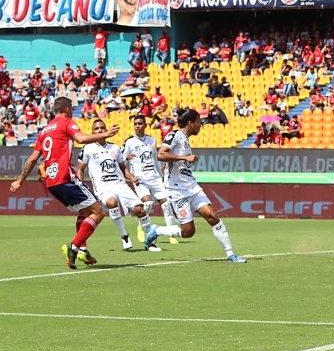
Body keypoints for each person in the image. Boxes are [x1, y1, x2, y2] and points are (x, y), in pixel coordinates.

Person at [9, 97, 119, 269]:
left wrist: (20, 180)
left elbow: (32, 159)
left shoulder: (44, 131)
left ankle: (82, 249)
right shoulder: (66, 122)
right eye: (72, 108)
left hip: (52, 183)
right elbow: (80, 139)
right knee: (98, 212)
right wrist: (105, 134)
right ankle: (74, 247)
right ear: (67, 108)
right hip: (66, 177)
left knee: (85, 211)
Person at [144, 109, 246, 263]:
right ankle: (157, 230)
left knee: (212, 216)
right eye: (199, 122)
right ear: (190, 123)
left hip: (192, 187)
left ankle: (231, 255)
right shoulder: (174, 135)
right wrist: (185, 157)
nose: (201, 125)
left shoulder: (185, 139)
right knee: (188, 232)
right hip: (177, 191)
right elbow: (161, 154)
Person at [77, 119, 158, 252]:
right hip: (103, 187)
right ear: (92, 132)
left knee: (140, 210)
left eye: (102, 127)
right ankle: (124, 236)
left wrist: (131, 177)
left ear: (106, 129)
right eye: (96, 128)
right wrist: (80, 186)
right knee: (112, 202)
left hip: (120, 185)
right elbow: (80, 169)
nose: (100, 130)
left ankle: (151, 242)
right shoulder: (87, 148)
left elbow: (122, 168)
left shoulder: (115, 148)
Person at [122, 114, 180, 245]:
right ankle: (141, 226)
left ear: (145, 125)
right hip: (140, 179)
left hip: (154, 178)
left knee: (166, 205)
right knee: (148, 203)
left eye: (140, 123)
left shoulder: (152, 140)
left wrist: (162, 176)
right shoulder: (129, 142)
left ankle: (171, 234)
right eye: (135, 124)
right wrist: (130, 175)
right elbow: (121, 161)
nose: (137, 126)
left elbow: (156, 160)